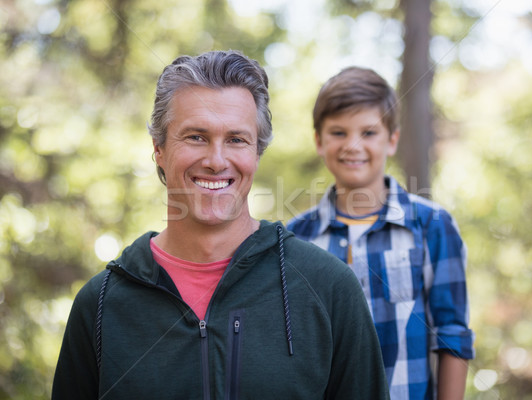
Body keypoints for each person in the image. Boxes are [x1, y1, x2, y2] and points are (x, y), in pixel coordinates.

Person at [52, 51, 390, 400]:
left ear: (256, 153)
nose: (216, 160)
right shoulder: (101, 304)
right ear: (159, 150)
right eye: (196, 137)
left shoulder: (329, 288)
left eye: (236, 139)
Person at [287, 67, 475, 400]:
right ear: (319, 141)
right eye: (338, 132)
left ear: (391, 140)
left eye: (369, 132)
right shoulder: (296, 238)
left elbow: (452, 336)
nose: (353, 145)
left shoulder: (432, 226)